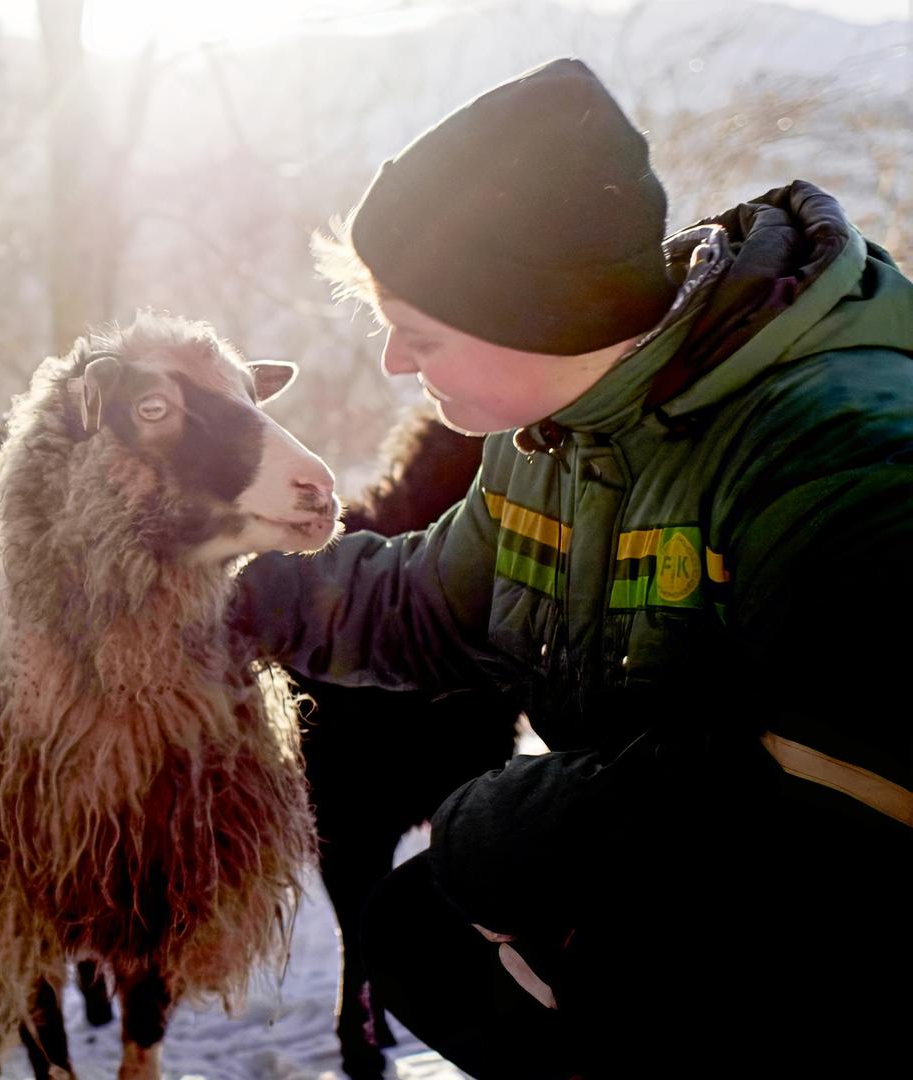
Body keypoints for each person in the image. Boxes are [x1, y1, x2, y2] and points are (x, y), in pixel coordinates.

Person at [238, 56, 913, 1077]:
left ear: (532, 315)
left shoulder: (832, 447)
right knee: (417, 932)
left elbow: (853, 782)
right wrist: (220, 593)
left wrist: (505, 830)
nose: (392, 367)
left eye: (418, 335)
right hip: (681, 866)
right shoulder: (556, 430)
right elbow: (435, 597)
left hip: (845, 906)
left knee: (590, 946)